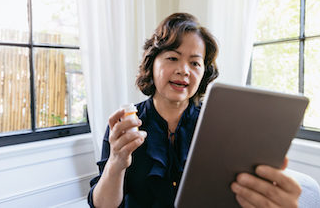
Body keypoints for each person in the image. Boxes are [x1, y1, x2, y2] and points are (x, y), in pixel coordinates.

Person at [88, 13, 301, 208]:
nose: (184, 70)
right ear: (152, 64)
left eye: (195, 63)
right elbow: (102, 205)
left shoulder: (218, 126)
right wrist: (116, 162)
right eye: (172, 58)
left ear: (203, 74)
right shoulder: (125, 124)